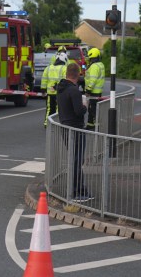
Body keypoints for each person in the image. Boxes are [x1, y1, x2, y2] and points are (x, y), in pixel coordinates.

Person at [57, 63, 91, 202]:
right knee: (77, 160)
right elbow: (79, 111)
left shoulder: (61, 89)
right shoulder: (74, 91)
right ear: (78, 74)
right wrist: (85, 106)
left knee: (75, 159)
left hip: (65, 126)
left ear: (67, 73)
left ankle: (80, 189)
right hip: (76, 128)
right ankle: (77, 192)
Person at [41, 52, 68, 127]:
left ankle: (47, 123)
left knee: (49, 109)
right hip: (59, 93)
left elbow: (44, 79)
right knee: (58, 109)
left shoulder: (48, 68)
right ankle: (56, 124)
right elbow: (65, 80)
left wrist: (43, 90)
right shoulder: (64, 68)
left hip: (50, 93)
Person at [84, 47, 105, 130]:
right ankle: (90, 124)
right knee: (91, 108)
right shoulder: (100, 65)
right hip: (98, 91)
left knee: (93, 109)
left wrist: (88, 90)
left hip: (93, 91)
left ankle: (97, 127)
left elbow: (93, 79)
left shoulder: (94, 66)